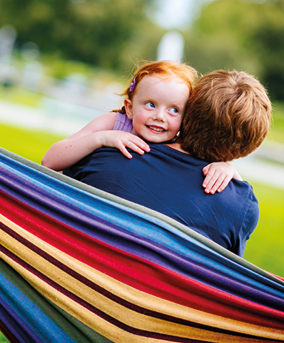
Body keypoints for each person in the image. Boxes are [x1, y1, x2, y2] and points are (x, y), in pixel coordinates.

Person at [65, 70, 273, 255]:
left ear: (187, 113)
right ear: (249, 147)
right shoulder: (241, 205)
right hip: (154, 299)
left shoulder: (106, 152)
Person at [41, 60, 242, 194]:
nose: (159, 117)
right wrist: (102, 138)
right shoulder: (114, 123)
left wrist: (227, 168)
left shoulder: (180, 142)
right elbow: (49, 161)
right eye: (150, 104)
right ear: (129, 108)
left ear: (185, 117)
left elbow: (232, 180)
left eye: (173, 110)